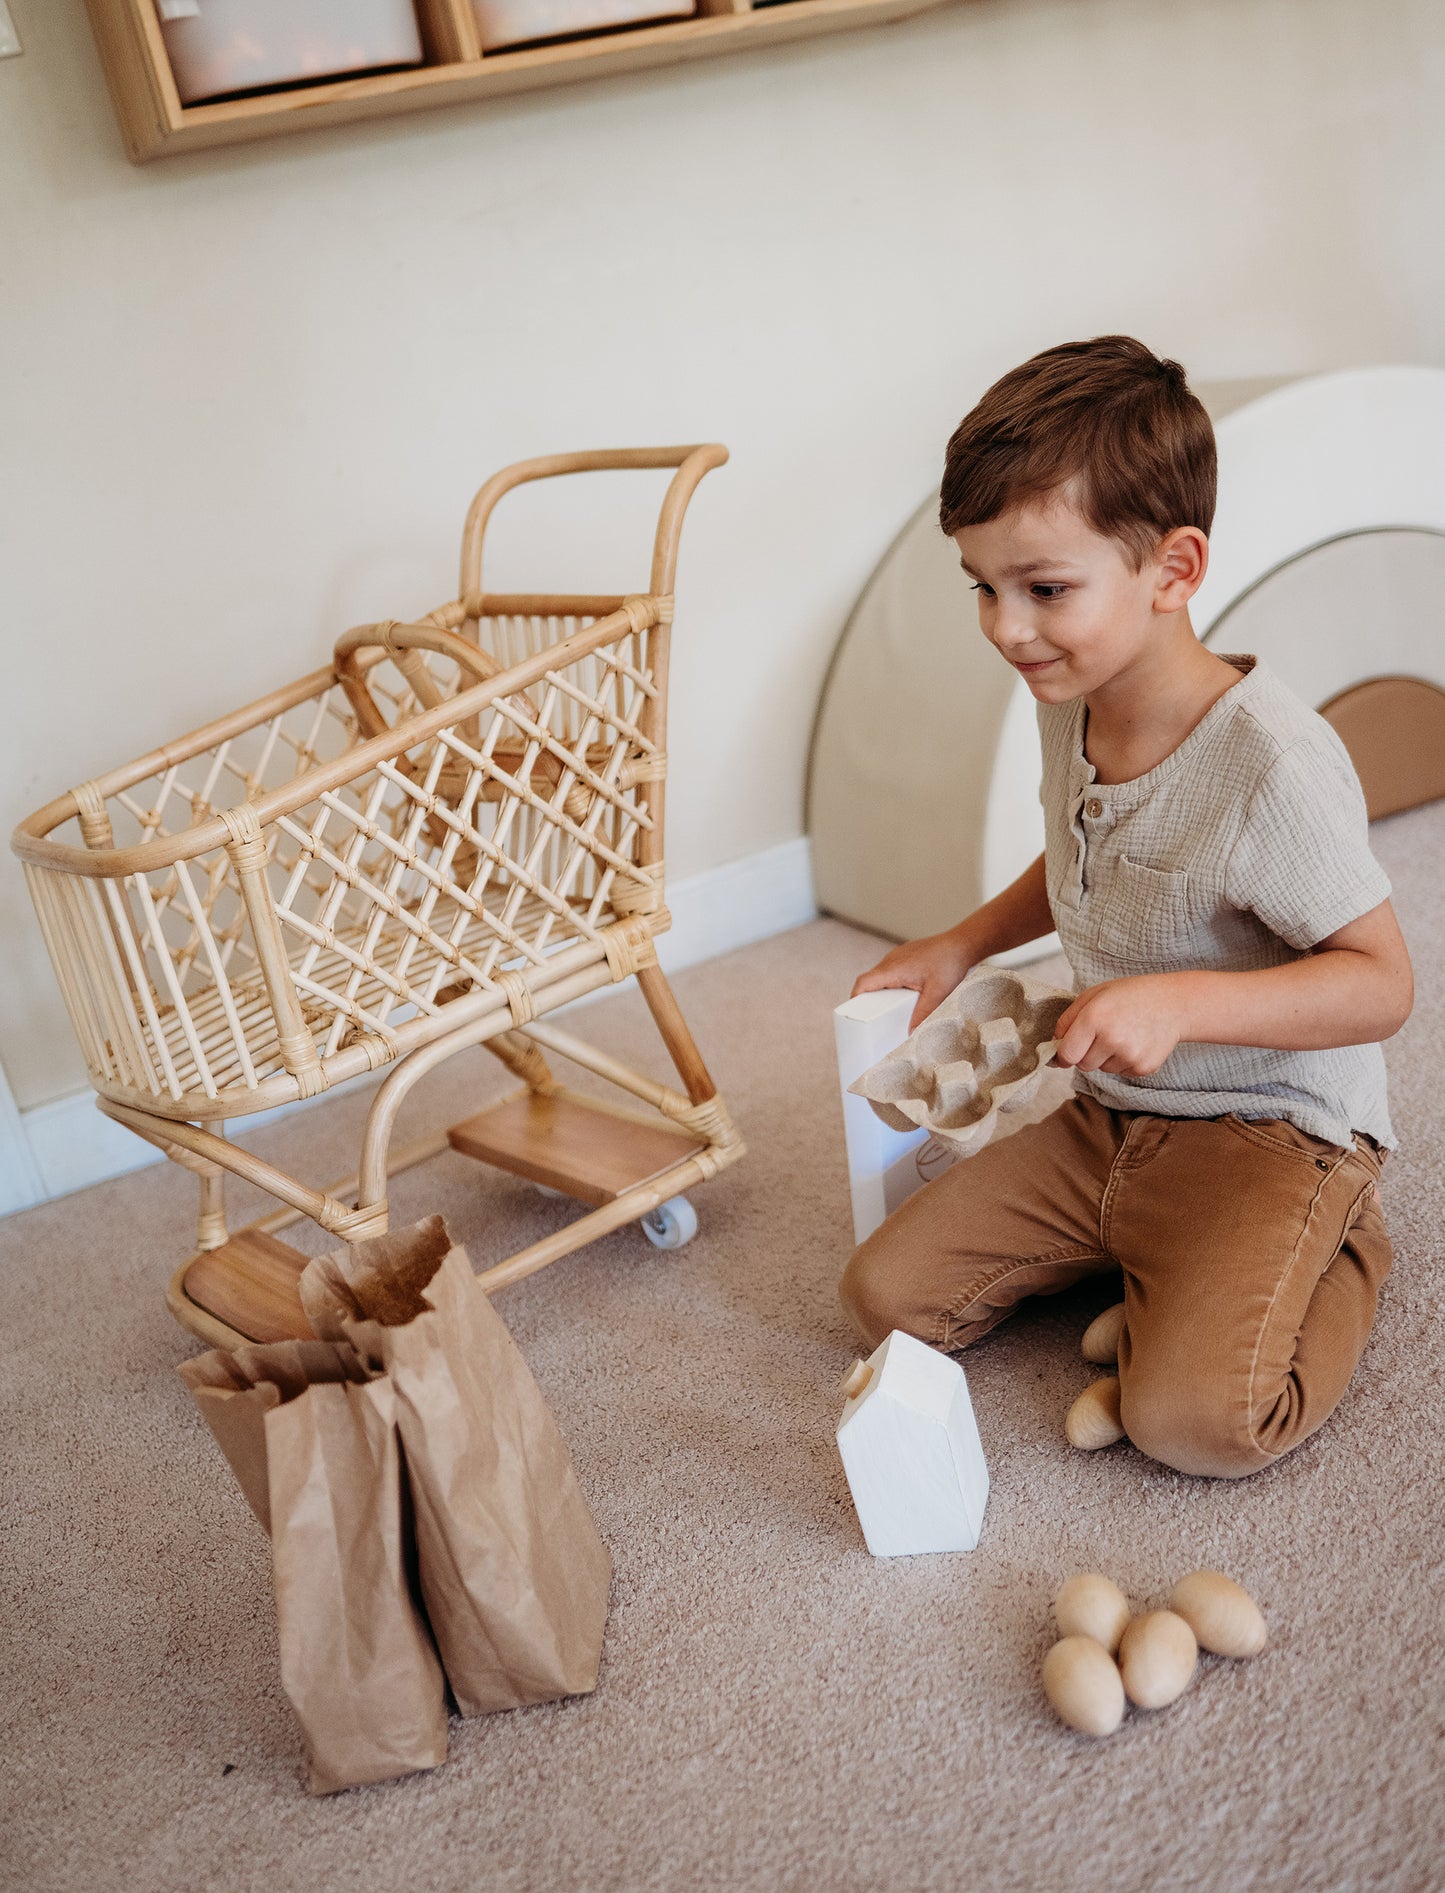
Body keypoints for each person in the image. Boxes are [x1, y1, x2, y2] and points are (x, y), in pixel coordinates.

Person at [839, 336, 1413, 1478]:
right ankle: (1155, 1256)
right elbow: (1071, 855)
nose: (1006, 628)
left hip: (1268, 1132)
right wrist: (964, 940)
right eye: (984, 589)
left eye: (1043, 589)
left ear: (1172, 568)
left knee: (1195, 1423)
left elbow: (1380, 983)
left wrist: (1177, 1002)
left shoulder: (1271, 766)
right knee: (884, 1296)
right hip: (1111, 1115)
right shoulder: (1075, 687)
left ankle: (1335, 1241)